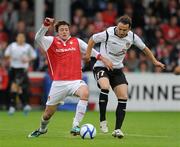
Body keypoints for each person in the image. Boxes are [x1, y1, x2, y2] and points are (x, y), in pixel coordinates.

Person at [85, 15, 165, 138]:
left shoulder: (132, 37)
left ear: (129, 29)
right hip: (101, 67)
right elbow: (92, 39)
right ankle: (102, 120)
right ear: (117, 26)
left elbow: (145, 49)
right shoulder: (108, 33)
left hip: (117, 70)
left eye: (124, 30)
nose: (121, 32)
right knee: (105, 87)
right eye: (120, 29)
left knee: (123, 96)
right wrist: (87, 55)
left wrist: (154, 61)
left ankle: (117, 129)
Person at [28, 17, 109, 138]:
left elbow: (90, 50)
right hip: (58, 84)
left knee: (85, 93)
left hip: (75, 81)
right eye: (61, 30)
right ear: (57, 32)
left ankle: (75, 125)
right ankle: (42, 129)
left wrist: (103, 59)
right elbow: (37, 38)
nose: (65, 31)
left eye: (66, 29)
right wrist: (45, 25)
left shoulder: (77, 41)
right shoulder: (50, 41)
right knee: (47, 114)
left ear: (69, 30)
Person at [4, 33, 36, 115]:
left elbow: (34, 56)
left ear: (24, 39)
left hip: (22, 69)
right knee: (18, 88)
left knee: (14, 86)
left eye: (22, 37)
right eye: (19, 37)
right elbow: (6, 55)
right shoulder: (12, 46)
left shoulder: (27, 47)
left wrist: (27, 59)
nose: (21, 39)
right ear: (16, 38)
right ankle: (25, 105)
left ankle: (12, 106)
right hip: (13, 69)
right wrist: (9, 57)